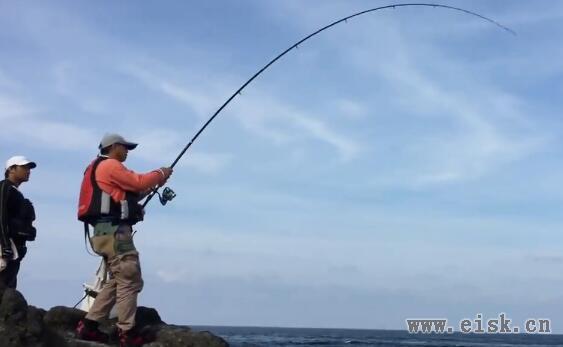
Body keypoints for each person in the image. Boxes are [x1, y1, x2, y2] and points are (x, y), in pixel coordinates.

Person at [75, 134, 172, 347]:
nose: (128, 151)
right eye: (125, 147)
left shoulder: (97, 167)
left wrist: (153, 183)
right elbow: (138, 181)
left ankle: (89, 326)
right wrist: (160, 173)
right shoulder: (110, 165)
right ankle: (127, 333)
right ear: (114, 146)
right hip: (115, 231)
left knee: (117, 279)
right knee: (130, 277)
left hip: (102, 232)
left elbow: (131, 191)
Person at [0, 156, 37, 289]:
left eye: (29, 168)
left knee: (9, 288)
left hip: (15, 249)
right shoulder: (5, 186)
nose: (28, 171)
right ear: (11, 169)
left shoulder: (16, 193)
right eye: (24, 167)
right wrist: (5, 245)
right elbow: (1, 214)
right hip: (7, 248)